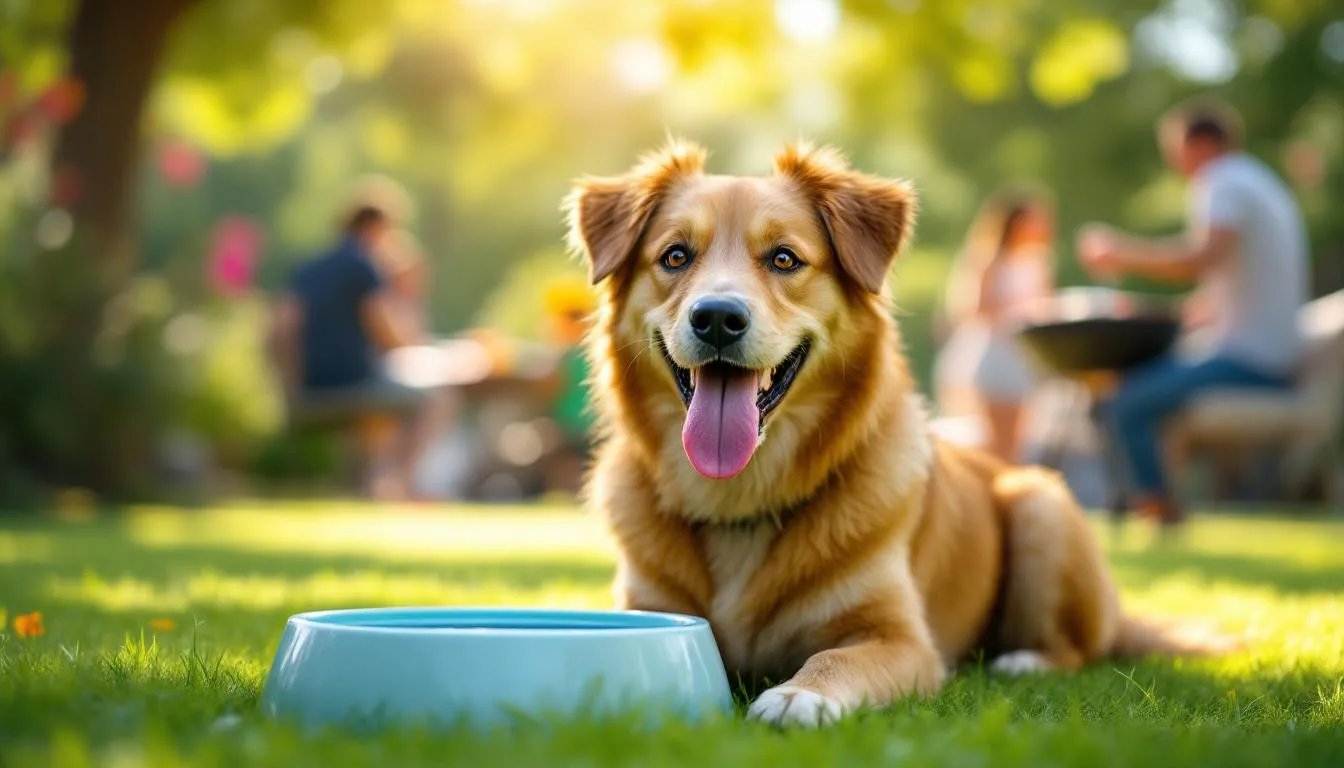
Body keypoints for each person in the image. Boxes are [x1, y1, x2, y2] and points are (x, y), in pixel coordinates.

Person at [1076, 97, 1310, 526]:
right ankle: (1140, 501)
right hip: (1264, 351)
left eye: (1174, 149)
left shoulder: (1223, 182)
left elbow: (1199, 259)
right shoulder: (1256, 181)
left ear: (1198, 143)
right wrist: (1163, 311)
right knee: (1130, 388)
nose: (1174, 162)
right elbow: (1217, 287)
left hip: (1250, 358)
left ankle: (1157, 508)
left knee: (1125, 399)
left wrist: (1120, 253)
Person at [269, 177, 448, 501]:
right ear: (376, 228)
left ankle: (371, 484)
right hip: (353, 382)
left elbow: (281, 328)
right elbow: (389, 334)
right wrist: (423, 345)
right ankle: (399, 487)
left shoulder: (307, 269)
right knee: (435, 400)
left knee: (380, 414)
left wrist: (289, 383)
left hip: (310, 386)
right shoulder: (364, 267)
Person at [936, 187, 1056, 462]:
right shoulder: (988, 260)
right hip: (995, 357)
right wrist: (1017, 310)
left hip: (1025, 357)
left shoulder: (1038, 262)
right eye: (1034, 220)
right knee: (995, 443)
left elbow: (1045, 305)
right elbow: (972, 309)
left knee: (1018, 444)